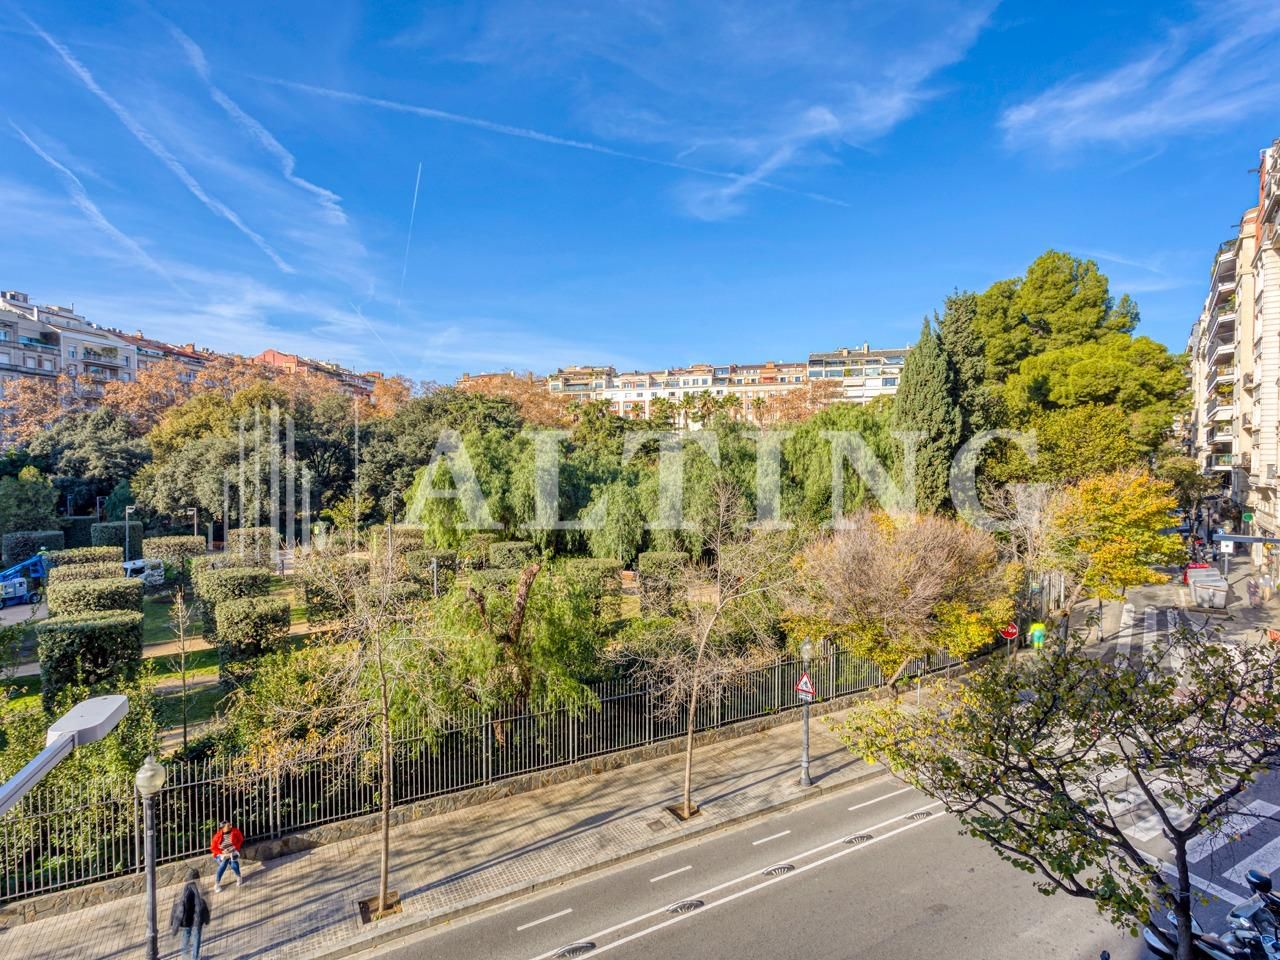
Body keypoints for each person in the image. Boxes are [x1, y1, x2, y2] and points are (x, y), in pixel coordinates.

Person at [169, 867, 210, 959]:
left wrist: (174, 923)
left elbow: (178, 907)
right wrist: (206, 918)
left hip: (186, 919)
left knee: (186, 936)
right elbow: (202, 906)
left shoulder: (183, 890)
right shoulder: (200, 888)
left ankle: (185, 957)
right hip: (196, 920)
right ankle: (194, 958)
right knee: (196, 938)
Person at [210, 820, 244, 892]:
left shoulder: (235, 831)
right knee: (224, 862)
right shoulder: (217, 836)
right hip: (221, 854)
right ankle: (217, 883)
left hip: (232, 851)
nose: (231, 826)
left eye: (230, 824)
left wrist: (234, 847)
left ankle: (239, 877)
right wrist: (222, 852)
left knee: (233, 862)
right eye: (228, 825)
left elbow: (240, 840)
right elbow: (213, 848)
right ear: (223, 828)